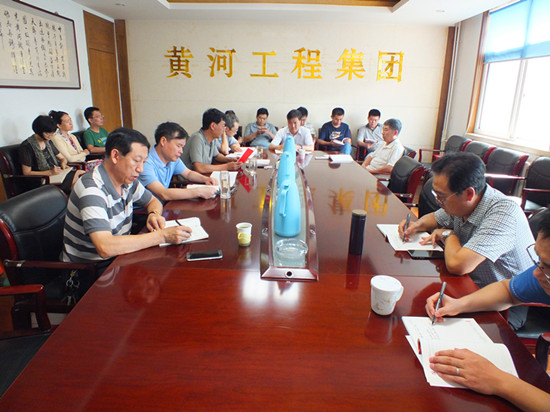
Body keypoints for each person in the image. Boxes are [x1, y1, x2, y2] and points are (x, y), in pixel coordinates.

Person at [424, 211, 550, 411]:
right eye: (539, 260)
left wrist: (498, 381)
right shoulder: (543, 275)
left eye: (547, 267)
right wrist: (459, 304)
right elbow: (508, 291)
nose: (536, 272)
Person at [62, 127, 192, 275]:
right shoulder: (92, 189)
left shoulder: (127, 180)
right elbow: (105, 247)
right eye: (136, 161)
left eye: (144, 162)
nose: (140, 169)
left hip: (119, 257)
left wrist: (154, 214)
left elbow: (153, 201)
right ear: (115, 156)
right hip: (91, 270)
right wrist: (162, 236)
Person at [399, 152, 534, 289]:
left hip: (505, 296)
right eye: (436, 194)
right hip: (470, 283)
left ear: (469, 194)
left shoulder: (503, 214)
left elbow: (458, 266)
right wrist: (415, 226)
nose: (437, 200)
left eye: (441, 196)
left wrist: (448, 235)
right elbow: (435, 218)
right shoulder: (462, 204)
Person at [138, 121, 218, 201]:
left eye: (182, 147)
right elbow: (163, 193)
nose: (181, 151)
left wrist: (206, 179)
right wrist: (198, 192)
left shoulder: (171, 158)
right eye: (179, 146)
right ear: (163, 141)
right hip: (149, 208)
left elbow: (188, 174)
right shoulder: (145, 163)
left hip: (165, 204)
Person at [20, 115, 84, 193]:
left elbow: (62, 158)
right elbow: (27, 172)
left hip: (55, 174)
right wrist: (50, 172)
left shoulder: (48, 142)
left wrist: (63, 164)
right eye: (48, 133)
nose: (50, 136)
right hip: (41, 179)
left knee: (81, 174)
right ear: (39, 131)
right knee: (77, 182)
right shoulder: (26, 146)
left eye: (52, 133)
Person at [180, 108, 242, 173]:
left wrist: (230, 160)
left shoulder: (212, 138)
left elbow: (217, 156)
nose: (224, 130)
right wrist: (226, 166)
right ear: (213, 126)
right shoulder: (197, 138)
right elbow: (199, 168)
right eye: (223, 126)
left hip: (202, 175)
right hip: (189, 178)